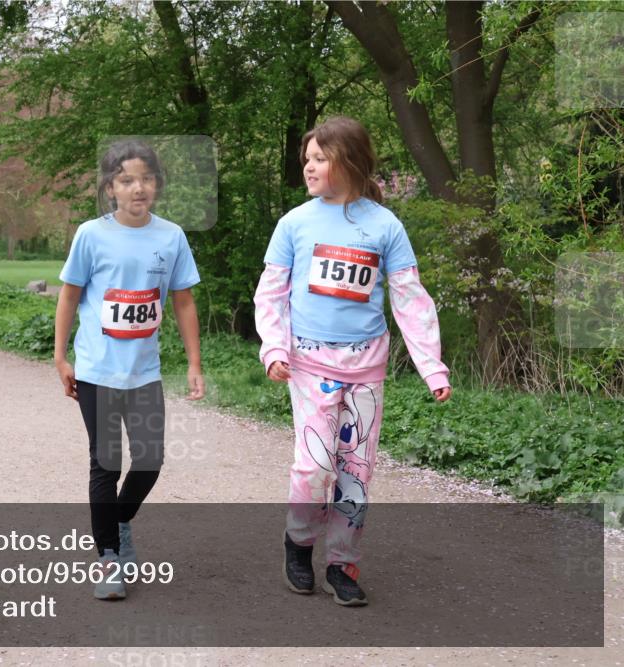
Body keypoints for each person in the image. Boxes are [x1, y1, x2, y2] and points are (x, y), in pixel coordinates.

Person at [254, 116, 452, 607]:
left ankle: (342, 563)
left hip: (366, 368)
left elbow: (410, 298)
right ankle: (298, 545)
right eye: (307, 159)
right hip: (310, 365)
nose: (309, 167)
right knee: (315, 467)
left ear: (348, 160)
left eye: (320, 158)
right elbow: (271, 294)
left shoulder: (385, 226)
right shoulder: (294, 224)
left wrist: (432, 366)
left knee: (356, 472)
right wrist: (274, 347)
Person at [54, 139, 205, 600]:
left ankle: (118, 522)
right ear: (110, 189)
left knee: (150, 460)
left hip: (144, 373)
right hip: (98, 370)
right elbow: (69, 295)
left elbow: (182, 300)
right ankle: (108, 560)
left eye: (146, 179)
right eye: (126, 180)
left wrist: (195, 362)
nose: (137, 188)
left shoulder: (171, 236)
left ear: (156, 184)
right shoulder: (91, 235)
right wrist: (60, 356)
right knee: (105, 462)